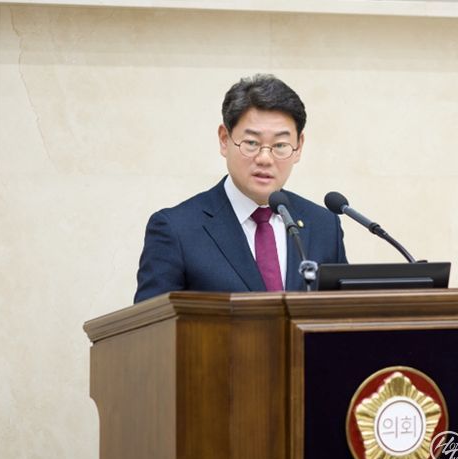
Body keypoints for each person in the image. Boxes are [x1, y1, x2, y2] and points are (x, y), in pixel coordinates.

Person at [134, 74, 347, 303]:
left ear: (298, 147)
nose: (265, 158)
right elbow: (152, 323)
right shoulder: (176, 230)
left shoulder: (324, 226)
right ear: (224, 140)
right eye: (252, 143)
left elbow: (344, 316)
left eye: (280, 145)